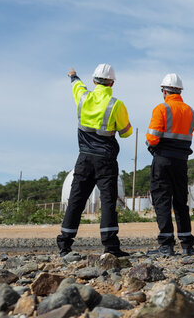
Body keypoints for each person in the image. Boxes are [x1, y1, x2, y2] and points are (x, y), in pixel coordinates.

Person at [57, 64, 132, 257]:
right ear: (112, 83)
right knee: (108, 202)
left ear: (93, 81)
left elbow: (76, 85)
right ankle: (110, 247)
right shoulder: (116, 104)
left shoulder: (83, 97)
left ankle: (65, 245)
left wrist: (73, 75)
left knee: (76, 200)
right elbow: (126, 133)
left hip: (84, 158)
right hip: (106, 160)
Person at [146, 73, 194, 256]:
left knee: (162, 201)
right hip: (181, 162)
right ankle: (187, 244)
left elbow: (152, 139)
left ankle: (166, 245)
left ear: (164, 90)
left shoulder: (162, 109)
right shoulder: (191, 112)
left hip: (163, 160)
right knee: (180, 202)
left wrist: (151, 144)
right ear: (180, 91)